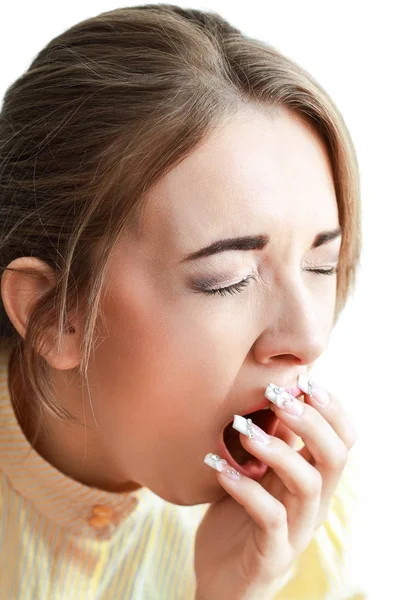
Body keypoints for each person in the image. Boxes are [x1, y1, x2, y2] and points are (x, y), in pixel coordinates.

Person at [0, 4, 365, 599]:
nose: (309, 337)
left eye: (321, 265)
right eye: (227, 278)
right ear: (53, 313)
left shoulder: (312, 525)